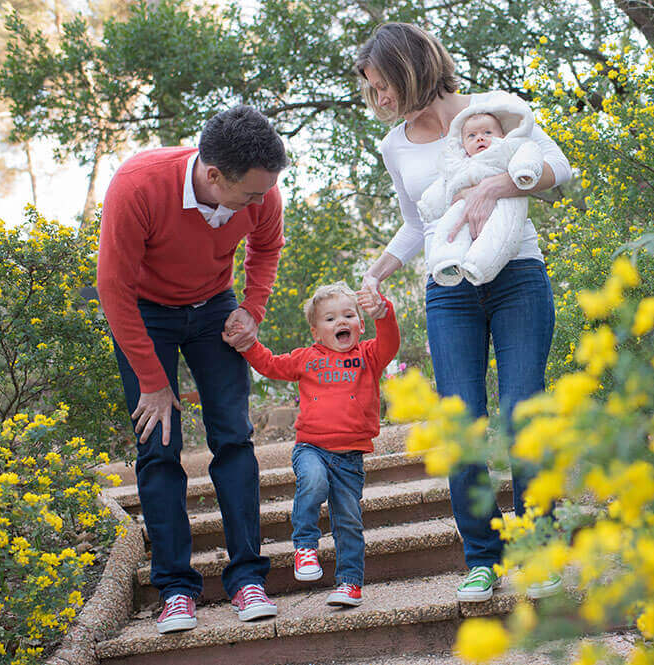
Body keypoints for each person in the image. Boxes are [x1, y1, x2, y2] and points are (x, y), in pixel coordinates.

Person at [354, 22, 572, 602]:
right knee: (461, 421)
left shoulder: (493, 110)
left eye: (383, 86)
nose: (379, 100)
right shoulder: (394, 144)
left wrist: (497, 185)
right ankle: (481, 557)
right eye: (371, 91)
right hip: (448, 288)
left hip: (518, 276)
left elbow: (560, 172)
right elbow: (414, 223)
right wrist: (376, 274)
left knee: (523, 407)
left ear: (412, 67)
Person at [96, 104, 288, 634]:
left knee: (233, 437)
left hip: (214, 308)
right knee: (158, 447)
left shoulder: (262, 190)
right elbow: (113, 291)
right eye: (250, 193)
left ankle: (248, 578)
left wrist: (251, 310)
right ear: (212, 175)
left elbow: (267, 247)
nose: (260, 200)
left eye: (264, 192)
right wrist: (154, 383)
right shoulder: (138, 185)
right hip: (146, 314)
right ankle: (176, 591)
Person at [223, 282, 400, 608]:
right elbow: (270, 364)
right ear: (316, 331)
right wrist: (248, 345)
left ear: (361, 324)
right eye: (330, 319)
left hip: (350, 456)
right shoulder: (307, 358)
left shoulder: (369, 356)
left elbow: (391, 341)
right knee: (314, 481)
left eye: (349, 315)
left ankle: (350, 584)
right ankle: (305, 545)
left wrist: (383, 312)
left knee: (348, 521)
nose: (341, 322)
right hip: (312, 448)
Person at [420, 95, 545, 287]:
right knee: (451, 228)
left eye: (488, 132)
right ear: (462, 143)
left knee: (500, 232)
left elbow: (529, 151)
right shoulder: (458, 162)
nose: (480, 137)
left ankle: (480, 266)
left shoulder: (507, 148)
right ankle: (447, 261)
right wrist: (429, 205)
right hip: (463, 207)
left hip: (505, 202)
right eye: (471, 136)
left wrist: (524, 170)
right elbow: (443, 184)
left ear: (502, 135)